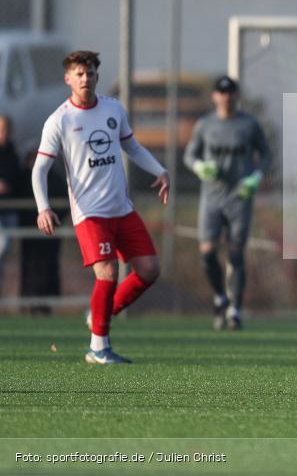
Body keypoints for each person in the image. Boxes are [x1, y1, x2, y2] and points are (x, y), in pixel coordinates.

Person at [32, 50, 170, 364]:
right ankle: (98, 348)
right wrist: (43, 207)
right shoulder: (59, 120)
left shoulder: (113, 109)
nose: (86, 79)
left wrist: (160, 170)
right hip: (90, 213)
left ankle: (97, 314)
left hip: (122, 208)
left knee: (149, 270)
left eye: (91, 73)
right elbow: (39, 169)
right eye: (79, 74)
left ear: (97, 77)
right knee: (107, 272)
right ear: (68, 79)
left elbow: (132, 146)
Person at [184, 76, 271, 330]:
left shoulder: (249, 124)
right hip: (212, 197)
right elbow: (189, 155)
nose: (227, 97)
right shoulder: (205, 125)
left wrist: (256, 176)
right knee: (207, 252)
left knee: (235, 253)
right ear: (214, 96)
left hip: (240, 196)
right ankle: (220, 297)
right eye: (222, 92)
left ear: (236, 95)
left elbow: (266, 153)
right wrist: (199, 166)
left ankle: (236, 310)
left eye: (231, 92)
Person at [19, 149, 68, 314]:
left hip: (50, 233)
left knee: (49, 267)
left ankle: (46, 304)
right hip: (29, 232)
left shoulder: (55, 179)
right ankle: (29, 303)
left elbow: (65, 201)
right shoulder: (24, 179)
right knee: (30, 267)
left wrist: (52, 219)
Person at [0, 115, 20, 294]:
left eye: (5, 129)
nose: (2, 133)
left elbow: (16, 178)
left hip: (9, 209)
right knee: (2, 244)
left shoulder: (13, 152)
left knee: (5, 251)